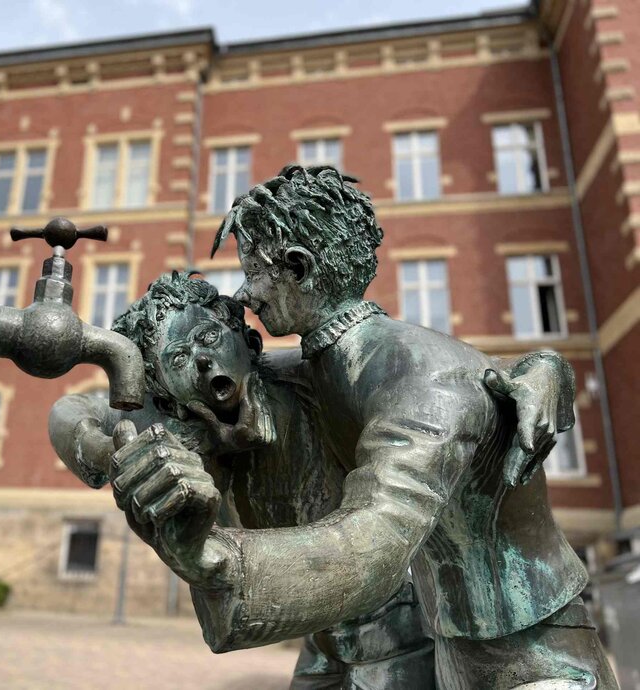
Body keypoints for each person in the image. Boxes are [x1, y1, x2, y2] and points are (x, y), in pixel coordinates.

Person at [102, 165, 616, 689]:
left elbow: (376, 541)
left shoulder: (418, 379)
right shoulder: (326, 365)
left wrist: (214, 556)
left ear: (298, 269)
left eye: (254, 272)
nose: (245, 296)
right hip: (457, 654)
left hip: (541, 662)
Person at [50, 267, 581, 688]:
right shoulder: (175, 423)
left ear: (246, 339)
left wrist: (540, 365)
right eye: (179, 357)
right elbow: (68, 412)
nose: (204, 361)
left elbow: (434, 376)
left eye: (212, 336)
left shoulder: (315, 378)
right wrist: (108, 452)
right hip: (321, 639)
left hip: (398, 632)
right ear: (160, 385)